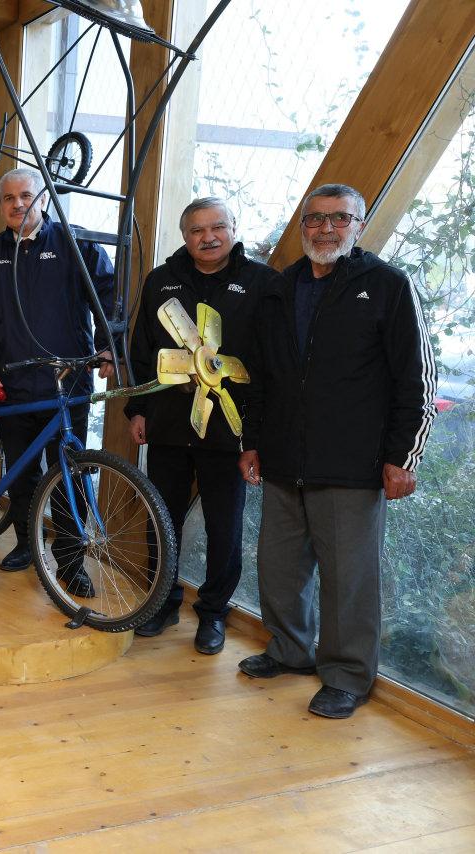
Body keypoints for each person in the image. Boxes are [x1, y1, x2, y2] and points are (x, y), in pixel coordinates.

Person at [238, 183, 436, 719]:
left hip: (353, 467)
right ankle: (289, 649)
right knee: (279, 568)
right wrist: (251, 441)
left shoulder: (388, 286)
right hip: (283, 461)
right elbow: (260, 378)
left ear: (359, 226)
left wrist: (404, 458)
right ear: (303, 226)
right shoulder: (279, 290)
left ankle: (347, 676)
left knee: (349, 581)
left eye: (340, 218)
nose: (326, 228)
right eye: (316, 219)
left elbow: (416, 379)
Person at [125, 198, 280, 654]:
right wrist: (137, 409)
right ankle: (162, 602)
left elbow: (270, 365)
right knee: (162, 519)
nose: (208, 237)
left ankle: (213, 612)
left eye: (217, 228)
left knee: (224, 528)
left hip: (230, 431)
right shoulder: (161, 281)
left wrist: (257, 435)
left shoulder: (263, 283)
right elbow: (142, 351)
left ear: (233, 229)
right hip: (169, 424)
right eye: (197, 230)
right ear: (184, 235)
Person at [0, 167, 115, 588]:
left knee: (69, 477)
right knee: (23, 474)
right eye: (8, 198)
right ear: (1, 205)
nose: (17, 204)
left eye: (26, 195)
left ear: (43, 199)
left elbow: (108, 296)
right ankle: (27, 544)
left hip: (67, 386)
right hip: (12, 385)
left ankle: (70, 563)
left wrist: (109, 346)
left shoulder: (76, 243)